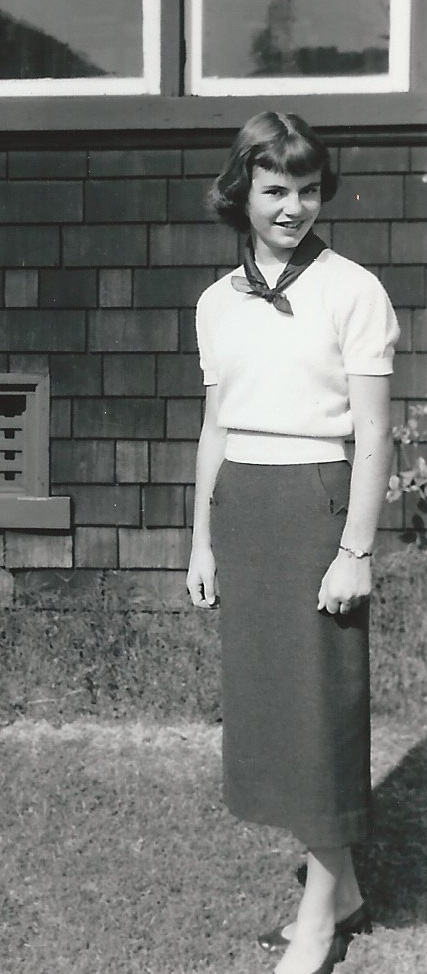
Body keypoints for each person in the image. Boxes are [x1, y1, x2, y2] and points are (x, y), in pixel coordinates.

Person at [186, 111, 400, 974]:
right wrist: (201, 541)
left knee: (321, 712)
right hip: (243, 505)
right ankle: (341, 892)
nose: (293, 207)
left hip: (317, 503)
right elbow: (213, 427)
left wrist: (355, 549)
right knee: (273, 710)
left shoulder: (353, 289)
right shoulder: (215, 302)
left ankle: (318, 922)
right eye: (276, 190)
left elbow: (374, 432)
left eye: (308, 190)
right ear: (241, 192)